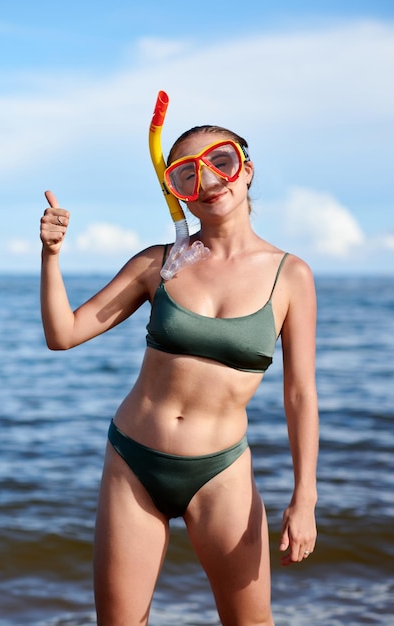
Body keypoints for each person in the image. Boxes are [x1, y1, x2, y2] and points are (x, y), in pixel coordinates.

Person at [40, 124, 319, 626]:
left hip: (221, 474)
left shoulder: (290, 276)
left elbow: (300, 395)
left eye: (222, 163)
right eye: (188, 175)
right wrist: (52, 256)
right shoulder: (159, 263)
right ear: (178, 195)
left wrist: (305, 496)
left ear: (246, 171)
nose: (209, 180)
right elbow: (63, 333)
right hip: (133, 464)